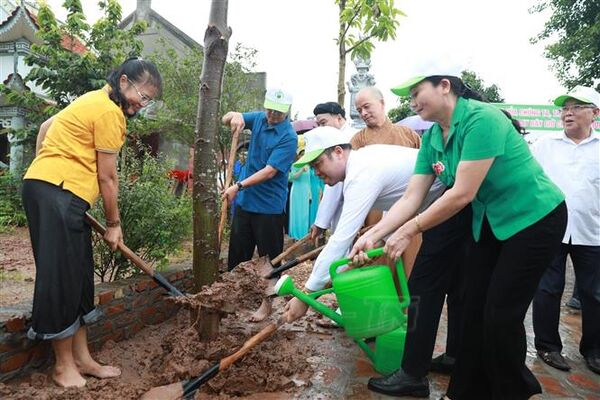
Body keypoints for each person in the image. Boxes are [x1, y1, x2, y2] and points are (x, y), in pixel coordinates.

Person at [350, 71, 566, 399]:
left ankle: (514, 390)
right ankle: (464, 391)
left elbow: (462, 193)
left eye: (416, 93)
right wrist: (376, 234)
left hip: (534, 220)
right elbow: (412, 196)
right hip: (491, 224)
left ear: (444, 86)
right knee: (473, 312)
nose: (411, 102)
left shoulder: (483, 119)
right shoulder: (434, 138)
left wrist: (409, 230)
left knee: (500, 315)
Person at [21, 58, 162, 388]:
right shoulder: (109, 112)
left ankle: (83, 359)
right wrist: (113, 223)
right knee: (61, 277)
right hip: (57, 193)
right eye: (143, 95)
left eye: (149, 100)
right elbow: (107, 177)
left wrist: (46, 167)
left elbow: (45, 128)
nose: (142, 104)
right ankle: (62, 366)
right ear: (124, 81)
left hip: (57, 193)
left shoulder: (91, 99)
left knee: (79, 276)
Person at [283, 126, 445, 322]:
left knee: (432, 281)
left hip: (450, 199)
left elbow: (341, 240)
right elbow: (399, 199)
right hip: (432, 203)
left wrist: (306, 296)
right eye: (313, 167)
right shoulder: (360, 164)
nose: (316, 172)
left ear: (338, 152)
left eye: (318, 164)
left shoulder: (361, 173)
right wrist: (379, 238)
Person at [531, 85, 600, 375]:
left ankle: (594, 351)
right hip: (550, 231)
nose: (568, 112)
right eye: (564, 108)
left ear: (594, 113)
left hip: (592, 232)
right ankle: (548, 346)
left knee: (594, 293)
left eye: (576, 107)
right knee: (547, 289)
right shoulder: (544, 146)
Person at [221, 88, 297, 321]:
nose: (272, 115)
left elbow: (269, 171)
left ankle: (267, 306)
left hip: (269, 208)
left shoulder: (288, 137)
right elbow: (228, 118)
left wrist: (238, 185)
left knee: (270, 261)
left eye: (278, 112)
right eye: (270, 110)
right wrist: (234, 116)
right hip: (245, 204)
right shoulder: (260, 119)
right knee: (237, 258)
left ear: (287, 112)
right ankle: (230, 302)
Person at [310, 102, 358, 243]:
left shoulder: (349, 138)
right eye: (318, 125)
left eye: (323, 123)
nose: (321, 128)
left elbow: (334, 187)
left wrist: (320, 223)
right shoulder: (335, 137)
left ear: (338, 118)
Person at [288, 136, 311, 240]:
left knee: (305, 214)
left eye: (304, 154)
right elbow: (291, 178)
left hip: (305, 192)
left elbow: (309, 181)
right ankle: (295, 235)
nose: (303, 156)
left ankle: (303, 235)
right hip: (296, 191)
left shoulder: (309, 166)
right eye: (301, 154)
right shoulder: (295, 165)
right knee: (296, 214)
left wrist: (310, 193)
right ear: (298, 155)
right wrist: (301, 170)